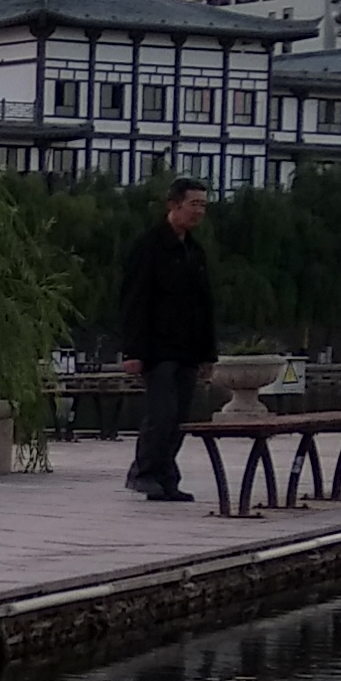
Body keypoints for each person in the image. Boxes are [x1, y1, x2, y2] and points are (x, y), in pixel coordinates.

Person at [114, 180, 216, 504]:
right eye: (193, 204)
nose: (199, 210)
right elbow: (134, 301)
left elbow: (204, 306)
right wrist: (133, 351)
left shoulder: (194, 251)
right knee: (161, 414)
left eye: (203, 204)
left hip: (187, 349)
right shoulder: (149, 247)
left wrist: (208, 354)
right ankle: (143, 473)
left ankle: (166, 476)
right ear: (173, 205)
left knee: (178, 418)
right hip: (158, 349)